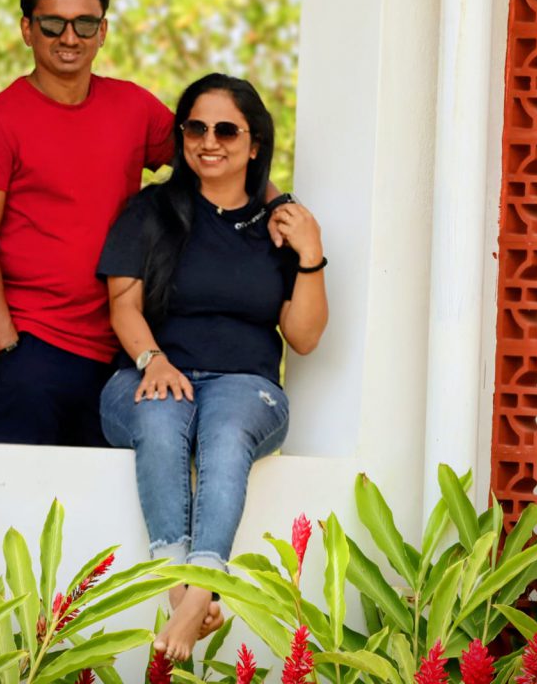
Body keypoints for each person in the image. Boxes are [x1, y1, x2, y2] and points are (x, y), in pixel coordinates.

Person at [97, 73, 328, 661]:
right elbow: (123, 306)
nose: (209, 141)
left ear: (254, 144)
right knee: (161, 415)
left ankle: (192, 596)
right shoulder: (150, 211)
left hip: (246, 387)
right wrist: (152, 360)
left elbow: (303, 337)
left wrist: (311, 252)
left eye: (227, 130)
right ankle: (191, 597)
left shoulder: (277, 228)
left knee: (225, 432)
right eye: (196, 127)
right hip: (148, 373)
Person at [0, 0, 175, 446]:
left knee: (104, 493)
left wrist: (275, 207)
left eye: (85, 24)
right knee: (13, 489)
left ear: (103, 32)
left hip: (121, 352)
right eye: (53, 24)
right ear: (27, 30)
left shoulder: (134, 107)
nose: (69, 38)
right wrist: (7, 344)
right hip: (32, 347)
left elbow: (211, 159)